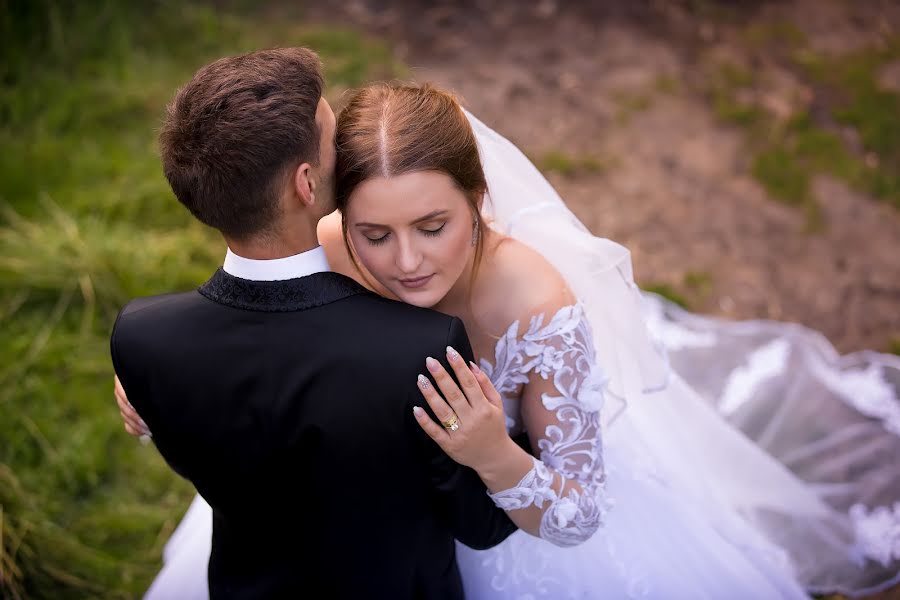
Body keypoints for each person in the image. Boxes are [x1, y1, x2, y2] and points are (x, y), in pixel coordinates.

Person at [120, 80, 900, 598]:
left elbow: (578, 514)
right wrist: (163, 386)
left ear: (479, 201)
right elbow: (259, 337)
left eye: (434, 226)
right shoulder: (327, 244)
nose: (407, 261)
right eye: (375, 235)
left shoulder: (539, 308)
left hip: (517, 527)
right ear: (338, 216)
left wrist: (494, 450)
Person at [110, 49, 519, 600]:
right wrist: (507, 442)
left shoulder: (142, 338)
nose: (344, 146)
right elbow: (480, 524)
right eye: (332, 136)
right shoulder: (419, 352)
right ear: (306, 183)